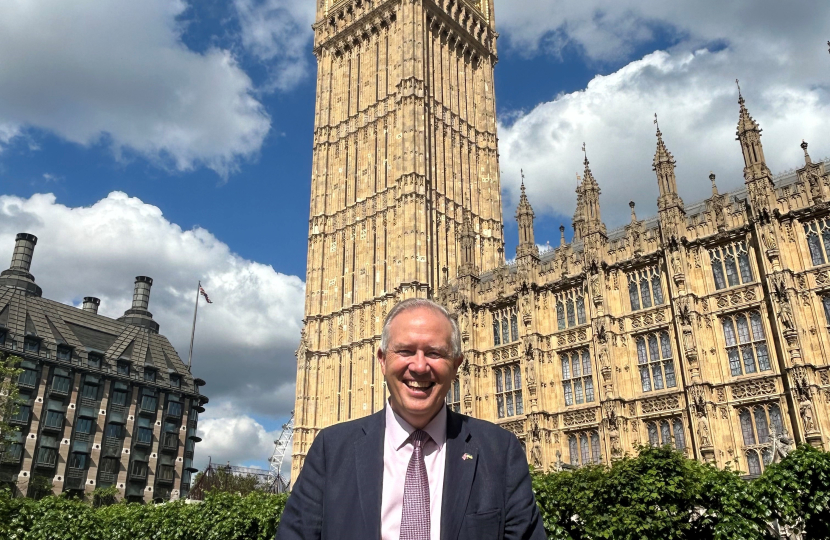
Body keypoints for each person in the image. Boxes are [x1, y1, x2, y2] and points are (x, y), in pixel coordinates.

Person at [276, 298, 546, 540]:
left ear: (456, 365)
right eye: (405, 351)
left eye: (434, 353)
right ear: (382, 360)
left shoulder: (499, 450)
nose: (419, 366)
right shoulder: (331, 449)